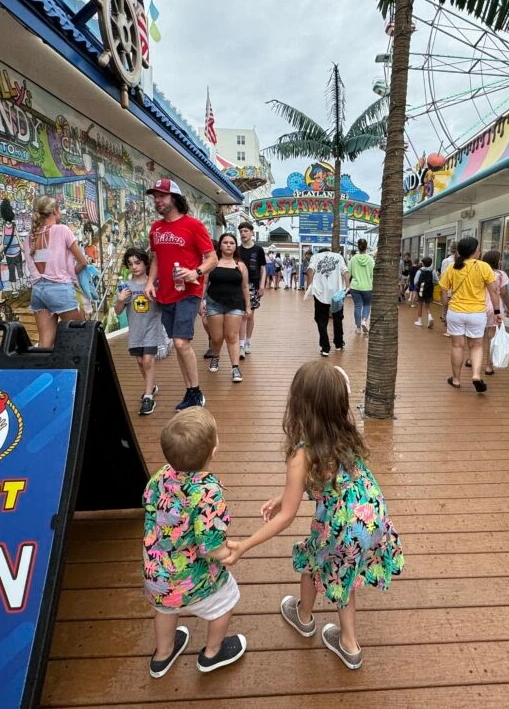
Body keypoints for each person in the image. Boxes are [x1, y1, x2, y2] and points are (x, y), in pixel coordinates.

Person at [222, 362, 403, 669]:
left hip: (341, 524)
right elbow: (329, 478)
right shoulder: (347, 431)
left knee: (313, 561)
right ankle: (349, 645)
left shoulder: (302, 453)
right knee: (343, 572)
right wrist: (283, 496)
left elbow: (286, 518)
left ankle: (304, 618)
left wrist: (244, 545)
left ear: (298, 405)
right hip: (370, 515)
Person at [143, 408, 247, 678]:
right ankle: (213, 653)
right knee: (225, 602)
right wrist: (228, 551)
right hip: (196, 578)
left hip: (158, 575)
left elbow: (148, 503)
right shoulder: (206, 493)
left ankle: (162, 655)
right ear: (213, 452)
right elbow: (211, 546)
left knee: (165, 610)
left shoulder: (161, 476)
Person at [144, 179, 217, 412]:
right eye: (155, 197)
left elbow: (212, 259)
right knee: (178, 343)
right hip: (165, 294)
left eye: (162, 196)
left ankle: (196, 392)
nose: (158, 201)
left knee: (180, 341)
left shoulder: (193, 225)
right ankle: (190, 392)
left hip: (189, 291)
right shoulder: (155, 228)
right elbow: (156, 258)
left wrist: (194, 271)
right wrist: (149, 282)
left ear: (175, 198)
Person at [439, 236, 503, 393]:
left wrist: (446, 305)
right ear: (474, 251)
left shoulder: (453, 267)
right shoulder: (484, 267)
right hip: (476, 313)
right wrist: (496, 311)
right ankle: (475, 375)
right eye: (478, 249)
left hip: (456, 312)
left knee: (457, 346)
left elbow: (443, 289)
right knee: (476, 346)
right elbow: (494, 291)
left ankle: (455, 379)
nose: (480, 251)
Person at [25, 195, 87, 348]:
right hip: (60, 290)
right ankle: (76, 372)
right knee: (80, 337)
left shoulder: (30, 236)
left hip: (38, 291)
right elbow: (83, 262)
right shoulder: (62, 230)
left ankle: (44, 372)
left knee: (45, 344)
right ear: (55, 211)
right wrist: (69, 275)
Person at [115, 247, 162, 415]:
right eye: (130, 264)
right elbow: (118, 311)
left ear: (145, 263)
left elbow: (163, 302)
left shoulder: (154, 283)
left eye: (138, 262)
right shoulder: (125, 287)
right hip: (135, 331)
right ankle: (152, 385)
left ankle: (148, 396)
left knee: (148, 360)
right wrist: (120, 300)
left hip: (151, 328)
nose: (134, 267)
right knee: (141, 362)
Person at [201, 233, 251, 383]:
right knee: (217, 338)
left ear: (235, 246)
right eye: (225, 242)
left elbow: (245, 287)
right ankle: (215, 357)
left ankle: (235, 367)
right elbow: (204, 283)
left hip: (235, 304)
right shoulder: (212, 263)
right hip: (214, 303)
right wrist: (200, 301)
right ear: (220, 245)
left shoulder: (240, 265)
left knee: (232, 336)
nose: (229, 245)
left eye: (232, 243)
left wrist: (248, 306)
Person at [305, 246, 350, 357]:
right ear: (329, 251)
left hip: (320, 293)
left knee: (321, 319)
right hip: (337, 293)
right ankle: (339, 343)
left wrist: (309, 285)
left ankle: (325, 348)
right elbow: (345, 271)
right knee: (338, 317)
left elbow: (310, 270)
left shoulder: (315, 257)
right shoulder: (338, 256)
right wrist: (348, 286)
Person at [480, 250, 509, 376]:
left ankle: (472, 359)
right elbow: (504, 293)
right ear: (496, 260)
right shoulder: (501, 274)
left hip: (479, 306)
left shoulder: (481, 272)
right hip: (495, 307)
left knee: (477, 335)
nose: (501, 261)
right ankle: (489, 365)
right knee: (491, 336)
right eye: (499, 259)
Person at [237, 222, 266, 358]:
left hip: (253, 286)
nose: (243, 234)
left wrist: (262, 285)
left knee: (250, 316)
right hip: (238, 286)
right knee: (243, 316)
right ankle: (241, 345)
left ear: (252, 233)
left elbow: (263, 268)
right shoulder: (237, 250)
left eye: (246, 231)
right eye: (241, 231)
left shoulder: (258, 250)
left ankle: (248, 341)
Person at [348, 238, 375, 335]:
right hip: (368, 286)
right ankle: (364, 320)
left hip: (355, 287)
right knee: (367, 305)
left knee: (357, 306)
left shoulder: (353, 259)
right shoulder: (370, 259)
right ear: (366, 246)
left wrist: (346, 285)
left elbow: (349, 273)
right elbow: (373, 273)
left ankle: (358, 327)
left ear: (358, 247)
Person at [413, 256, 439, 328]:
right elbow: (437, 281)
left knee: (420, 305)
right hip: (429, 290)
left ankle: (419, 321)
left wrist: (418, 286)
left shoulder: (419, 271)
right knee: (427, 305)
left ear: (423, 264)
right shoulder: (433, 271)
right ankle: (430, 317)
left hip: (420, 290)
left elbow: (415, 281)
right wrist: (431, 284)